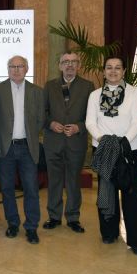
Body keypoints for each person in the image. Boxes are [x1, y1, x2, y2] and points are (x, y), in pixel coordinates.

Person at [86, 56, 137, 255]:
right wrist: (105, 141)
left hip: (129, 149)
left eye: (117, 68)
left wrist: (122, 143)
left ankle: (136, 241)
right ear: (103, 71)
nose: (113, 71)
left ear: (124, 71)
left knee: (131, 193)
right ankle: (109, 233)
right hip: (103, 148)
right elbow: (90, 123)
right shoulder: (95, 95)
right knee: (107, 191)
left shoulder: (134, 94)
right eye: (109, 68)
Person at [0, 56, 45, 244]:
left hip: (27, 147)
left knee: (31, 188)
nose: (16, 70)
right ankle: (12, 223)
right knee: (6, 189)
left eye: (20, 66)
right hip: (5, 148)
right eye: (12, 66)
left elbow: (40, 119)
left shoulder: (37, 92)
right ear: (7, 69)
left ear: (27, 68)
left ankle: (31, 227)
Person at [42, 52, 94, 233]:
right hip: (53, 142)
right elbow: (43, 112)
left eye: (73, 62)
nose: (70, 65)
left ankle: (73, 217)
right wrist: (51, 123)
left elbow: (91, 115)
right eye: (66, 62)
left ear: (79, 65)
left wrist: (79, 127)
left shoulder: (88, 87)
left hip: (76, 143)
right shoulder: (49, 86)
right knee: (54, 181)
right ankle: (54, 216)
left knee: (73, 181)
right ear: (60, 66)